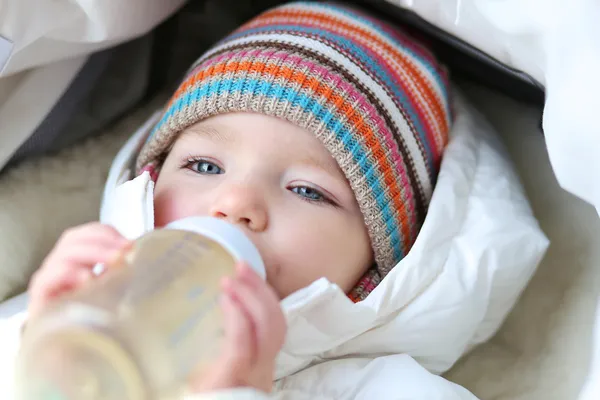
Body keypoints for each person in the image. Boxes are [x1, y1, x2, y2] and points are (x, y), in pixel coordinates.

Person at [27, 2, 478, 398]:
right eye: (204, 166)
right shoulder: (79, 315)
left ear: (379, 266)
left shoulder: (394, 389)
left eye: (307, 190)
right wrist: (39, 344)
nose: (235, 201)